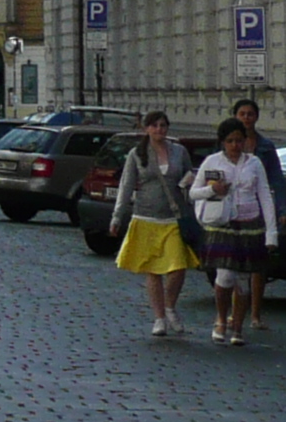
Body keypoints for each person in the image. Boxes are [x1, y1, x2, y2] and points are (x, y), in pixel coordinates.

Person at [109, 109, 199, 337]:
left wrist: (188, 184)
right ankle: (159, 317)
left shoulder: (179, 151)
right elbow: (126, 186)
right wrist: (117, 216)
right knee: (153, 270)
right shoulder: (137, 154)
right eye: (155, 126)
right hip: (146, 216)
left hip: (174, 216)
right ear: (146, 129)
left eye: (163, 126)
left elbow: (192, 176)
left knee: (178, 267)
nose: (160, 130)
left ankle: (170, 307)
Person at [194, 118, 274, 346]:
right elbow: (193, 193)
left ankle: (237, 326)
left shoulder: (254, 163)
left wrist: (271, 233)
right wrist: (212, 189)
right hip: (223, 225)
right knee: (224, 275)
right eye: (230, 141)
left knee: (243, 278)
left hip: (249, 224)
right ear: (222, 142)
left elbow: (265, 196)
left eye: (239, 140)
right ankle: (221, 318)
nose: (235, 145)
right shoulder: (212, 162)